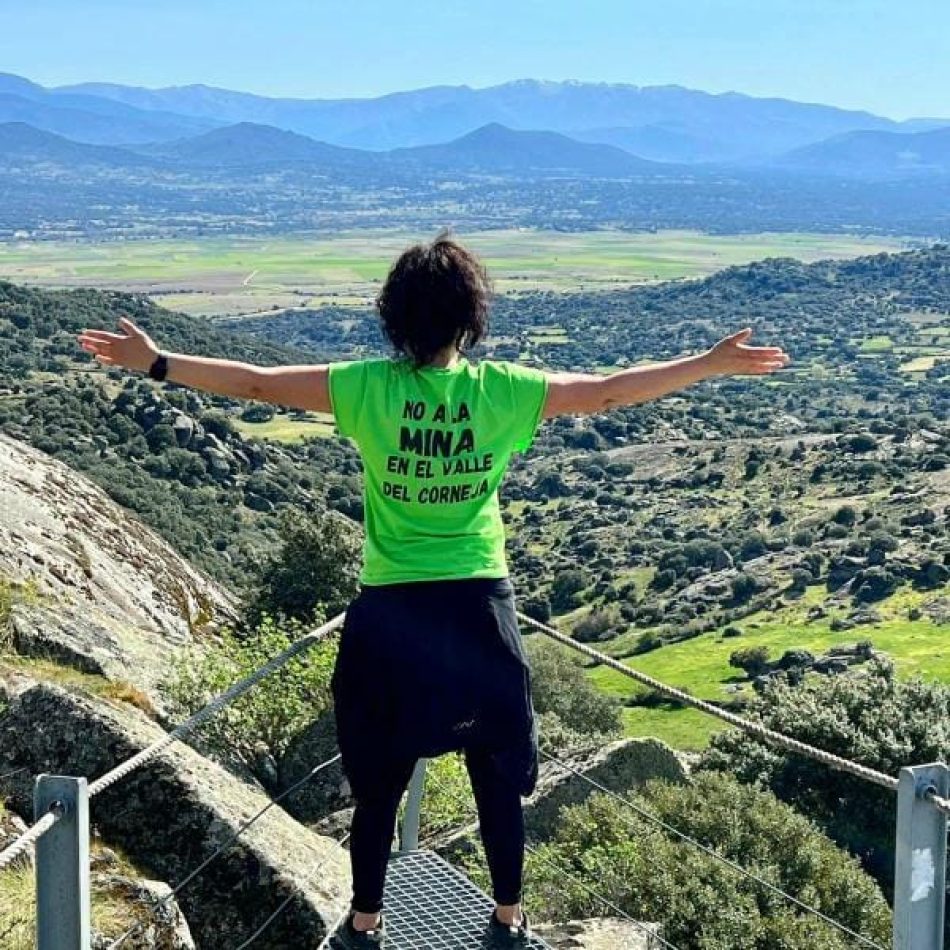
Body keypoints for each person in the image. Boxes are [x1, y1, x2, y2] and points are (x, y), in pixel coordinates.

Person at [78, 234, 789, 947]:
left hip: (390, 611)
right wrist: (710, 363)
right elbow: (607, 393)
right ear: (469, 317)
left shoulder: (366, 388)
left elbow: (258, 382)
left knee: (379, 783)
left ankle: (365, 923)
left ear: (395, 318)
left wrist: (159, 363)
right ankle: (508, 922)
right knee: (497, 771)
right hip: (479, 606)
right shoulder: (503, 391)